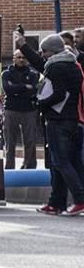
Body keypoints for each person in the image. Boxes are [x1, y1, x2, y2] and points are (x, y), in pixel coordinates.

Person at [16, 33, 84, 216]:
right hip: (73, 120)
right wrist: (23, 46)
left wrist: (39, 102)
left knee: (61, 162)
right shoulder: (73, 66)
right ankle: (56, 203)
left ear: (52, 51)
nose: (42, 54)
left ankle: (79, 199)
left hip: (58, 120)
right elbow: (42, 66)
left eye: (44, 51)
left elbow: (59, 94)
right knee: (59, 163)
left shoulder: (56, 68)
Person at [1, 50, 39, 170]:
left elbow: (33, 90)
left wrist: (16, 88)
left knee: (30, 141)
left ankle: (29, 166)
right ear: (14, 59)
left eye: (23, 57)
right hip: (11, 109)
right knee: (9, 141)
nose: (21, 60)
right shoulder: (6, 74)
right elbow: (7, 89)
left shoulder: (33, 74)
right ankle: (9, 167)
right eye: (18, 57)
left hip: (29, 110)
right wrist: (24, 86)